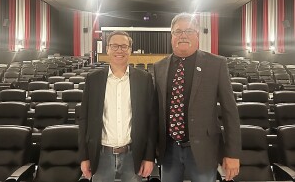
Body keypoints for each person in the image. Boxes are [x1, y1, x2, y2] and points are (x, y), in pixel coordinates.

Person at [153, 13, 241, 182]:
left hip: (203, 151)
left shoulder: (216, 64)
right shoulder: (159, 67)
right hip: (169, 150)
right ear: (171, 36)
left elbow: (230, 113)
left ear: (197, 34)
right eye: (178, 31)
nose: (183, 35)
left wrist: (232, 153)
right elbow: (154, 113)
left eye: (189, 31)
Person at [79, 31, 157, 182]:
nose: (119, 50)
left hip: (133, 155)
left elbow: (151, 120)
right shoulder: (93, 79)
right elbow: (84, 120)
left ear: (130, 50)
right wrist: (84, 157)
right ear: (107, 49)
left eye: (124, 46)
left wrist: (149, 157)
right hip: (101, 155)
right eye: (114, 46)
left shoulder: (144, 79)